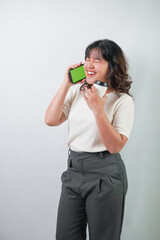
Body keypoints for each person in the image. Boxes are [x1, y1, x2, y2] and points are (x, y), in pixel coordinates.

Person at [45, 39, 134, 240]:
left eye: (97, 60)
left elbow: (114, 146)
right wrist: (67, 83)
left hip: (106, 174)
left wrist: (97, 110)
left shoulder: (123, 100)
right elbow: (51, 120)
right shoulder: (77, 90)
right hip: (74, 171)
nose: (89, 64)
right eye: (87, 59)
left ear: (112, 65)